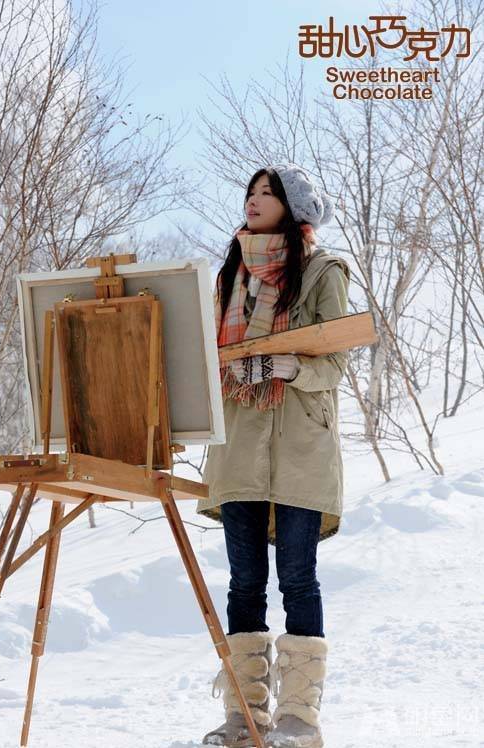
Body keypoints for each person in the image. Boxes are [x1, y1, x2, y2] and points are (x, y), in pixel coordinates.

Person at [196, 163, 350, 748]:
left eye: (269, 193)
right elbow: (207, 355)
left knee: (297, 579)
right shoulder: (228, 274)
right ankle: (245, 716)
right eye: (251, 192)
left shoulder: (322, 271)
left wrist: (295, 367)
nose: (255, 200)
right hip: (238, 444)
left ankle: (299, 721)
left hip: (300, 446)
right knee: (243, 583)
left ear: (295, 207)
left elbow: (336, 357)